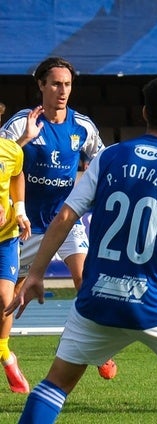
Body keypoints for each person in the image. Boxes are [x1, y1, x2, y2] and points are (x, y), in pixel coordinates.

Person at [4, 75, 157, 423]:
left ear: (143, 113)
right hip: (151, 301)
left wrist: (34, 274)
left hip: (96, 298)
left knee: (55, 385)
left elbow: (64, 215)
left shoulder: (109, 157)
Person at [0, 57, 117, 380]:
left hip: (65, 220)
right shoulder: (20, 124)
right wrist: (23, 139)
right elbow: (2, 163)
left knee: (84, 278)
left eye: (67, 84)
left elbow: (103, 161)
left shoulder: (82, 126)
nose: (62, 91)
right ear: (41, 85)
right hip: (23, 225)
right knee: (9, 299)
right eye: (55, 84)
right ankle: (6, 354)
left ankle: (95, 348)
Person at [0, 136, 32, 393]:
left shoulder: (11, 150)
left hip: (6, 237)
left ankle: (4, 352)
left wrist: (19, 210)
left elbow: (17, 175)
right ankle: (6, 357)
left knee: (5, 299)